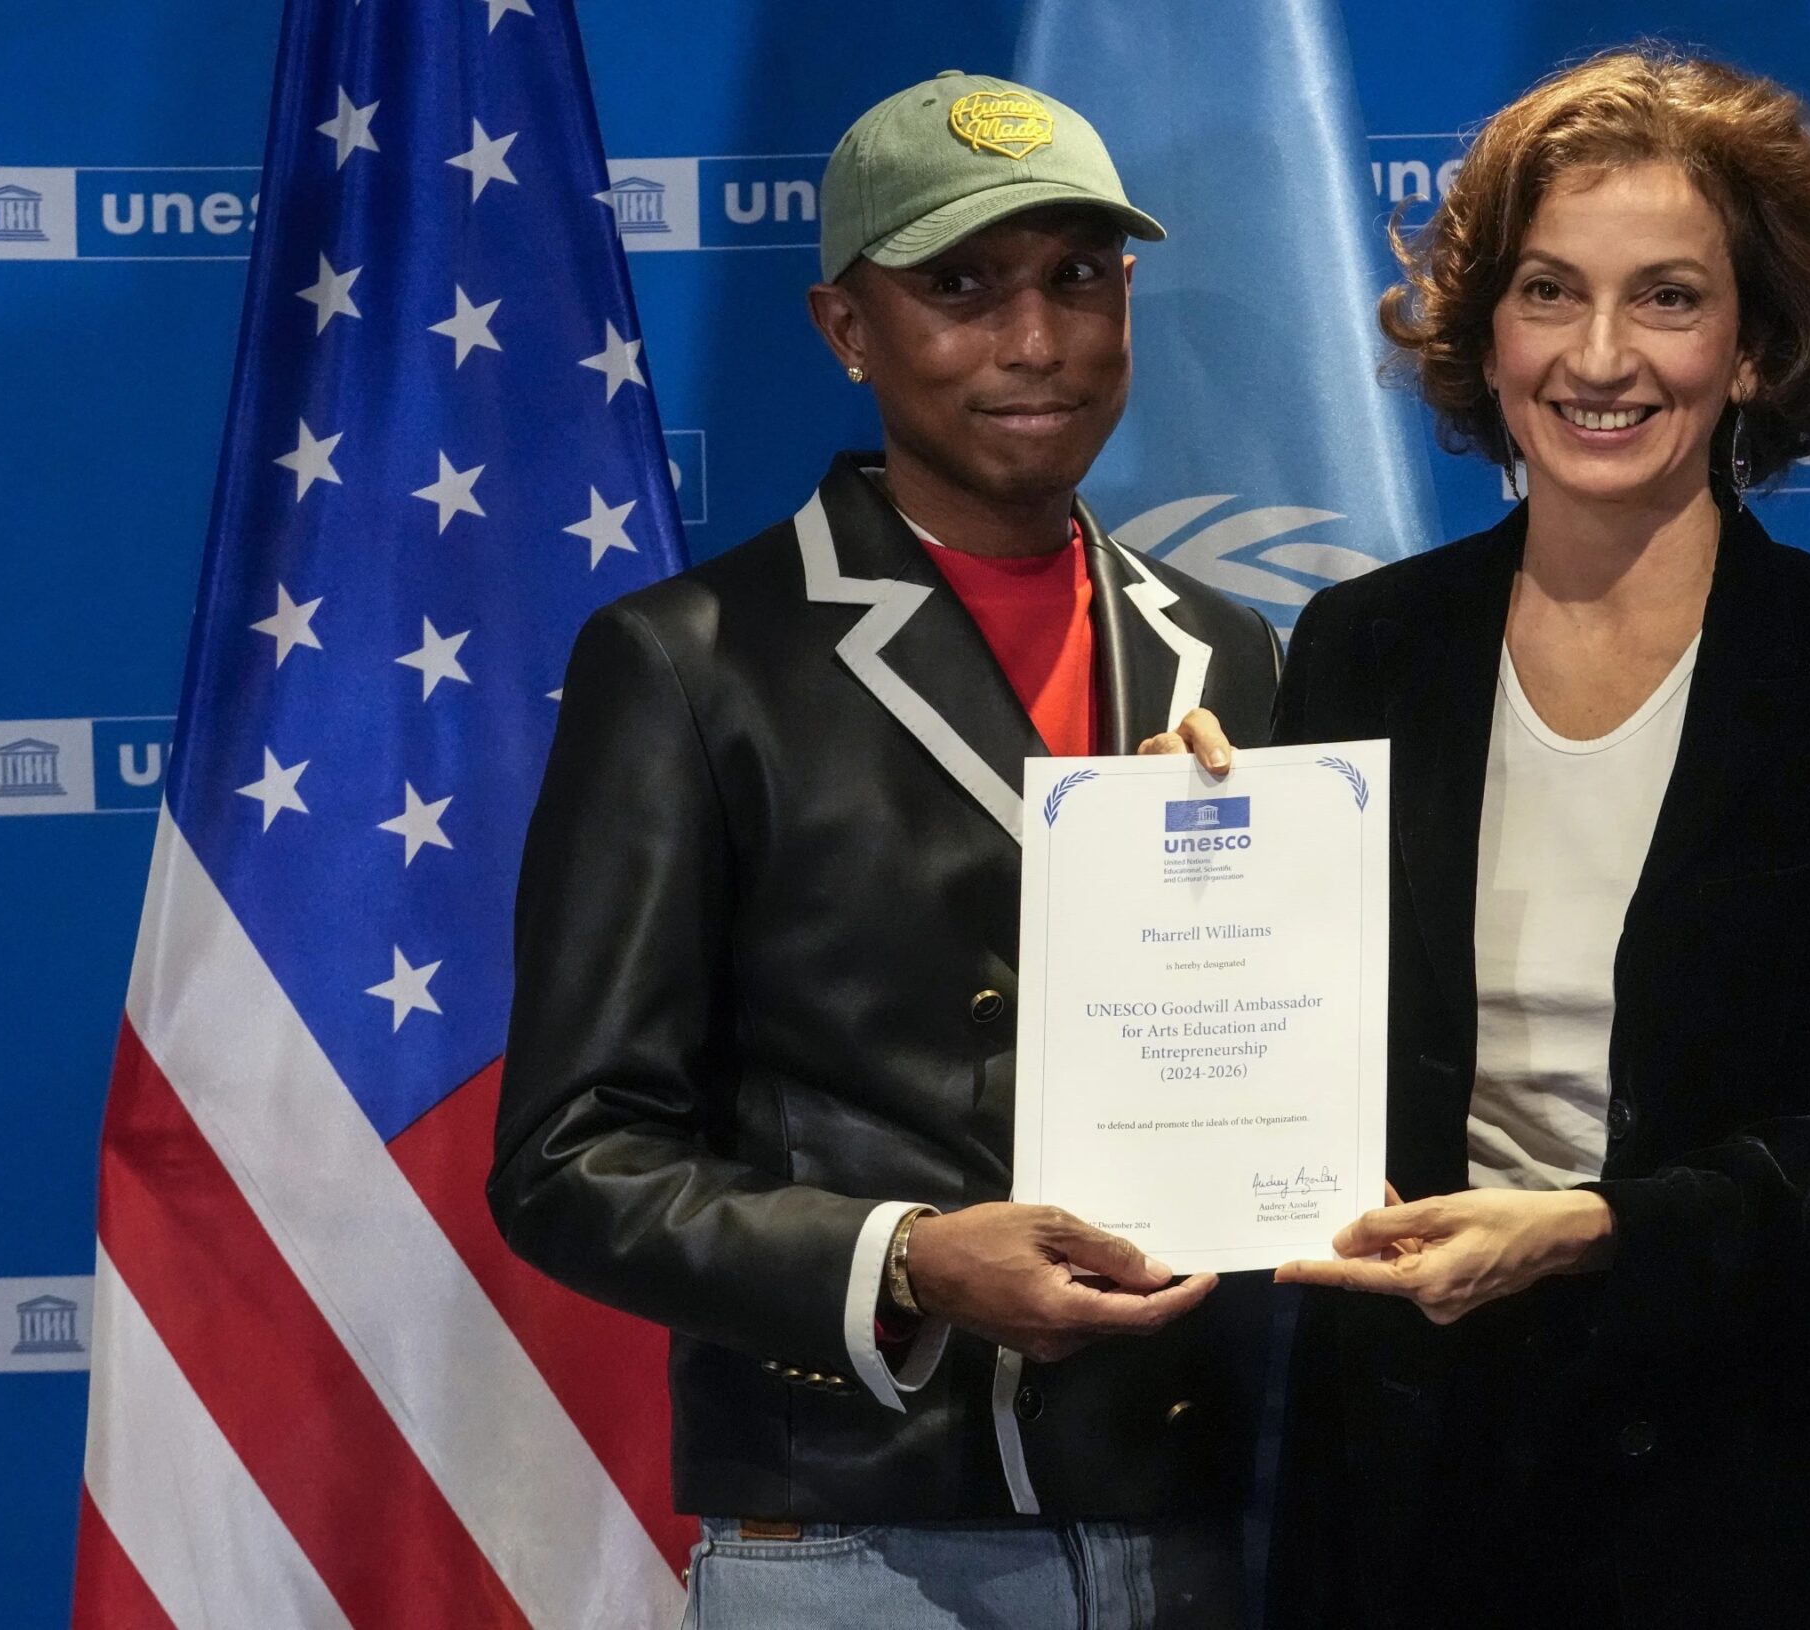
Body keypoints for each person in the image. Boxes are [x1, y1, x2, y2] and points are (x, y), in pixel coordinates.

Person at [488, 71, 1278, 1629]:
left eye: (1080, 276)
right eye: (960, 287)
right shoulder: (695, 658)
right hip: (857, 1547)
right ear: (846, 328)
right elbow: (568, 1159)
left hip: (1193, 1520)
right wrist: (907, 1259)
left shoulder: (1233, 655)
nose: (1037, 341)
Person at [1263, 47, 1810, 1627]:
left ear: (1752, 348)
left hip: (1779, 1503)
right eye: (1549, 290)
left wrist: (1592, 1235)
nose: (1601, 355)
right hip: (1425, 1498)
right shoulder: (1356, 652)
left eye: (1668, 296)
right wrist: (1199, 855)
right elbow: (1284, 1049)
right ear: (1486, 331)